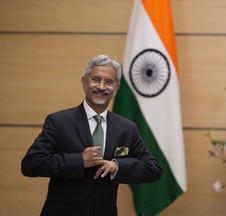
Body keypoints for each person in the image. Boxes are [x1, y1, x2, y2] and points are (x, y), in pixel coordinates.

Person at [21, 55, 163, 216]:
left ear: (117, 87)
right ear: (84, 82)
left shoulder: (127, 128)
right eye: (96, 79)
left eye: (109, 82)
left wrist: (116, 166)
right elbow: (30, 164)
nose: (101, 87)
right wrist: (79, 160)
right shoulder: (59, 121)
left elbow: (153, 169)